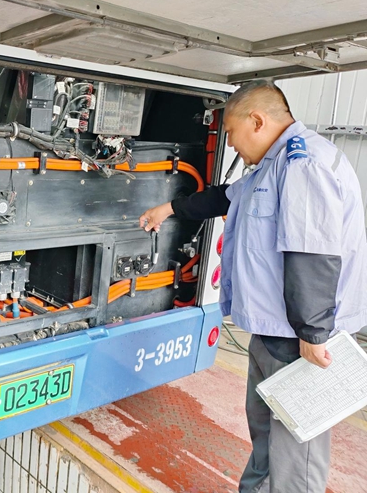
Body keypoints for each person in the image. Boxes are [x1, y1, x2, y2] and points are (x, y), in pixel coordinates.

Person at [139, 80, 367, 493]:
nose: (230, 144)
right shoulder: (271, 166)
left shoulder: (303, 164)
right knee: (266, 437)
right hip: (272, 333)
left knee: (296, 453)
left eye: (231, 132)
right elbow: (225, 198)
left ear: (257, 121)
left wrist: (313, 334)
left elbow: (312, 254)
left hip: (299, 340)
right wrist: (169, 208)